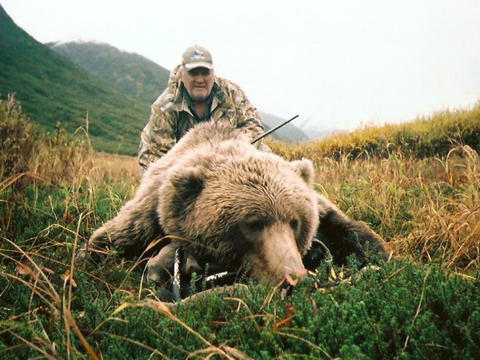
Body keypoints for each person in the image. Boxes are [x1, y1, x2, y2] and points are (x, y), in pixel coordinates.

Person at [138, 44, 268, 172]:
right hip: (186, 169)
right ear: (182, 75)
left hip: (231, 161)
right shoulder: (165, 106)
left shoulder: (231, 92)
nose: (200, 80)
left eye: (205, 73)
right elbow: (155, 154)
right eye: (193, 73)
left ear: (213, 74)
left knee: (264, 153)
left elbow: (253, 125)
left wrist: (231, 150)